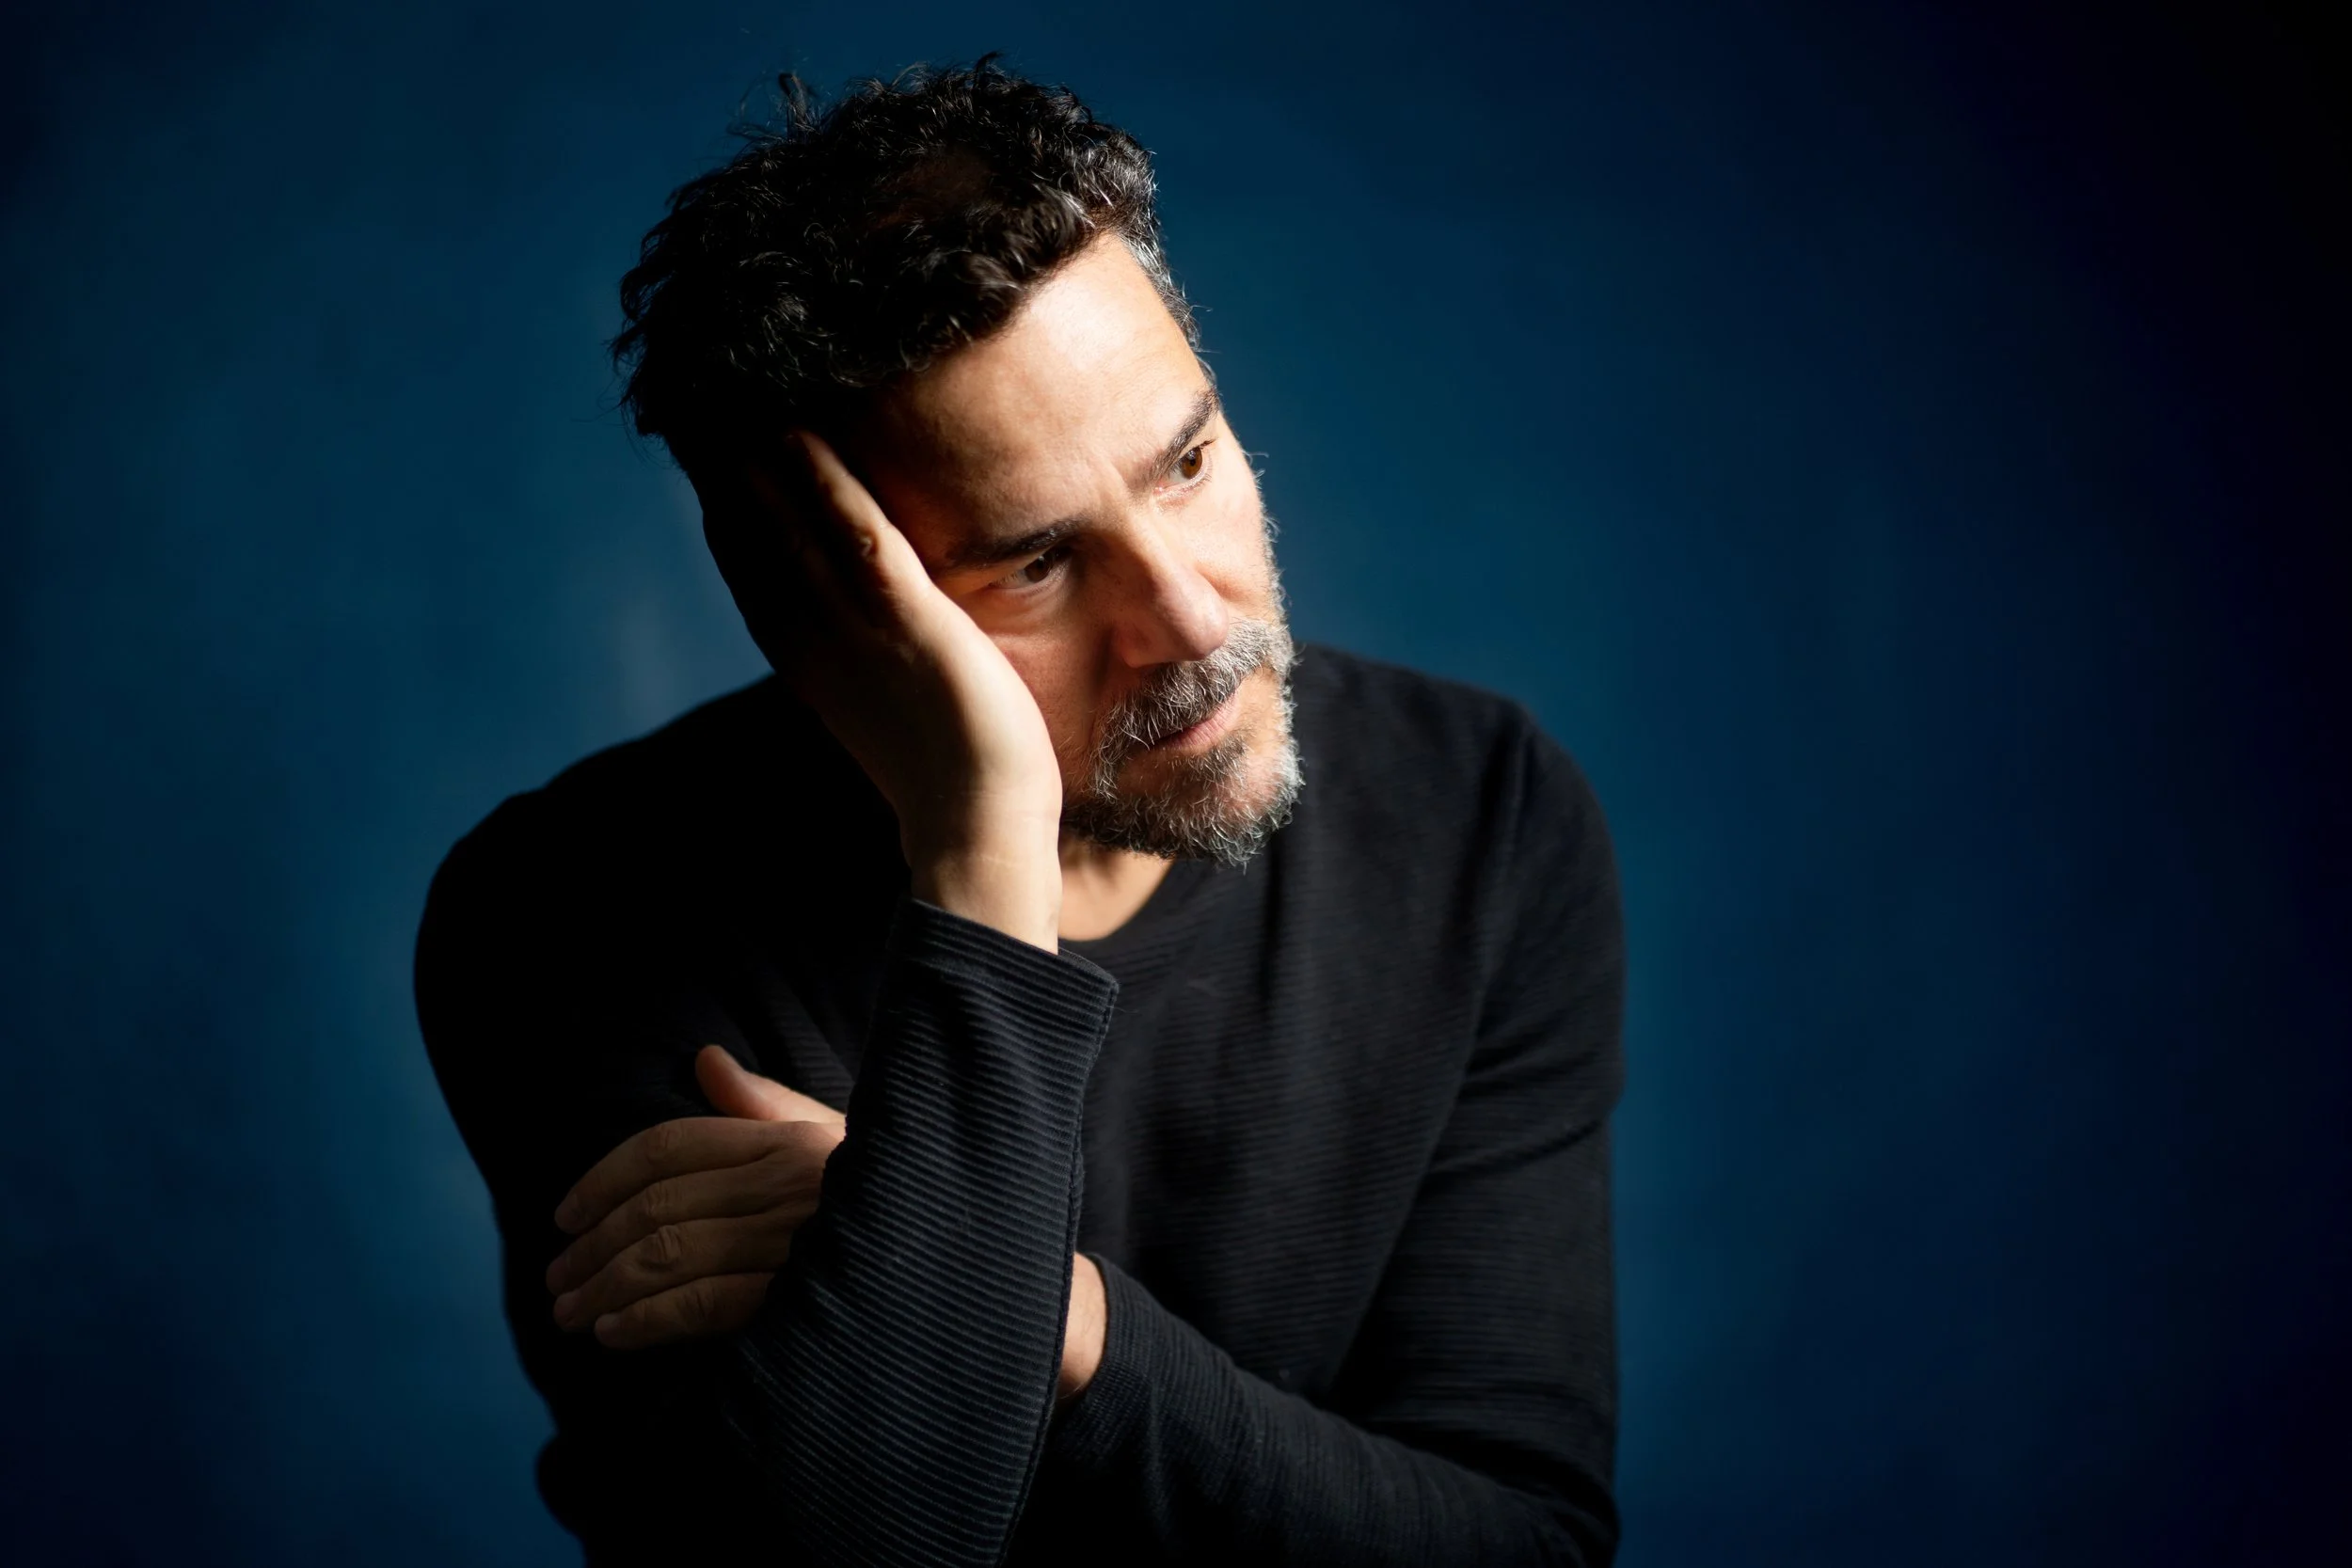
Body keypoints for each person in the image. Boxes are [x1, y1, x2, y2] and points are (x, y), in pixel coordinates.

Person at [415, 58, 1625, 1565]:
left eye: (1187, 461)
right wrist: (983, 856)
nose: (1192, 619)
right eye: (1036, 562)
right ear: (824, 605)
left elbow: (1527, 1546)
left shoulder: (1480, 814)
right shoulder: (567, 916)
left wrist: (1041, 1308)